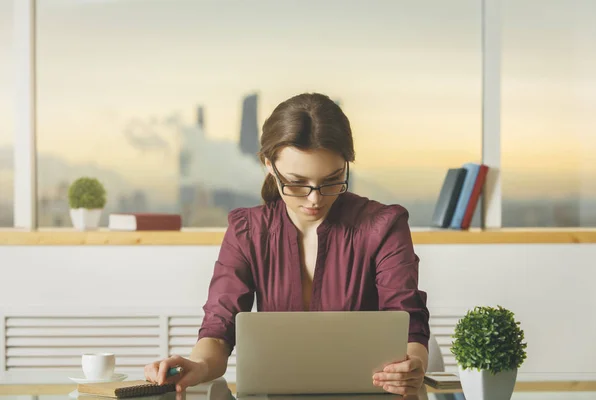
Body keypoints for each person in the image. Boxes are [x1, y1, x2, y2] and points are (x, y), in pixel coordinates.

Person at [144, 93, 431, 396]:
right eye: (296, 182)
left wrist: (413, 365)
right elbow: (218, 329)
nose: (315, 199)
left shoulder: (384, 225)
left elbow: (408, 321)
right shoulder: (247, 231)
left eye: (332, 180)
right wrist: (197, 366)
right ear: (269, 165)